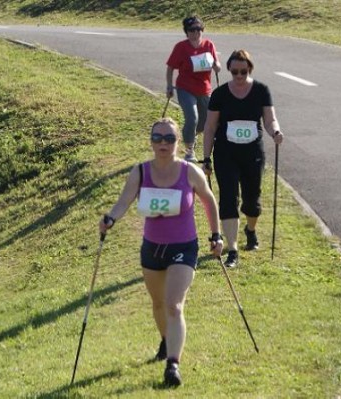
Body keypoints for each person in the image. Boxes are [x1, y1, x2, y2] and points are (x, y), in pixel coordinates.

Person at [99, 117, 223, 387]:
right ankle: (166, 341)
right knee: (157, 305)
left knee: (173, 305)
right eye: (157, 138)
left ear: (178, 142)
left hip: (183, 247)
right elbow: (123, 202)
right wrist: (110, 218)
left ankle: (173, 365)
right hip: (152, 248)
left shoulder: (189, 172)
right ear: (151, 142)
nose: (163, 143)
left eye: (169, 138)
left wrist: (216, 235)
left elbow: (209, 201)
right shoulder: (141, 172)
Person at [202, 49, 284, 268]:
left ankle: (251, 229)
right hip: (225, 153)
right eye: (235, 71)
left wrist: (275, 132)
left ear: (250, 69)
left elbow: (269, 120)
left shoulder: (260, 91)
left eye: (243, 71)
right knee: (228, 198)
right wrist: (206, 158)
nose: (239, 76)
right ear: (229, 69)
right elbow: (210, 127)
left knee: (251, 199)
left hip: (252, 153)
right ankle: (233, 248)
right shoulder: (219, 94)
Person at [166, 15, 221, 162]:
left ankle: (190, 136)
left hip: (204, 89)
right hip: (185, 88)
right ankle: (190, 151)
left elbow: (217, 64)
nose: (195, 33)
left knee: (204, 122)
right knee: (192, 118)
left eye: (198, 29)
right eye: (191, 30)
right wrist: (169, 85)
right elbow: (170, 67)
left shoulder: (208, 45)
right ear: (186, 32)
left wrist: (217, 67)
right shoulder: (181, 47)